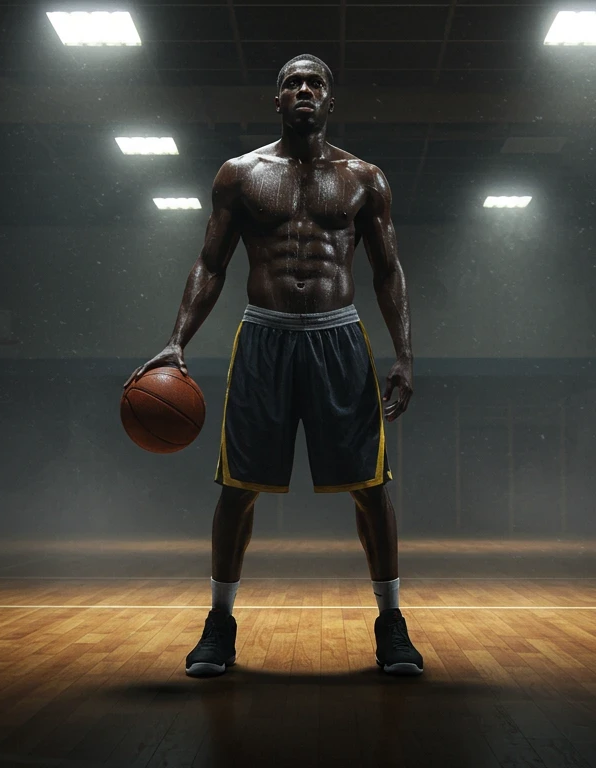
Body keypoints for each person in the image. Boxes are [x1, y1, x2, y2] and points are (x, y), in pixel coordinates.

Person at [124, 54, 422, 677]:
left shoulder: (366, 178)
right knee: (237, 488)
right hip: (264, 338)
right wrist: (177, 340)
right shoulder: (240, 174)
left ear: (330, 99)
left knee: (371, 487)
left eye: (315, 82)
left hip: (340, 337)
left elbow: (387, 271)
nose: (304, 89)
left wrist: (405, 354)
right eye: (293, 82)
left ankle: (391, 624)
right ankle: (219, 624)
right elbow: (211, 263)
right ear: (277, 99)